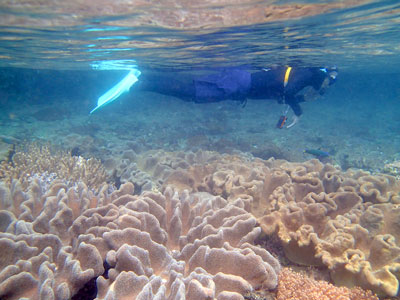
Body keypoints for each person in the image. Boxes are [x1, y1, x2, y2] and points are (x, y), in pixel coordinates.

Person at [133, 65, 338, 128]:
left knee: (191, 92)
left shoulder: (303, 75)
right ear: (325, 76)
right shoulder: (307, 74)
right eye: (328, 83)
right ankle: (142, 82)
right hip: (237, 84)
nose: (324, 89)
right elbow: (287, 92)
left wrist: (301, 100)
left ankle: (145, 79)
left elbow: (279, 92)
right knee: (191, 92)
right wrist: (298, 112)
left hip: (238, 84)